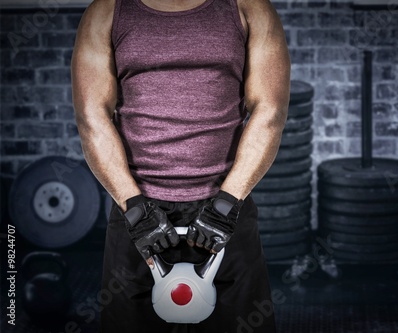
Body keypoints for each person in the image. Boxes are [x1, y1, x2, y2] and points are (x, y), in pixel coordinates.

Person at [71, 0, 290, 331]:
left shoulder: (249, 7)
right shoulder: (106, 11)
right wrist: (133, 209)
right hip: (136, 214)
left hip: (227, 210)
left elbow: (269, 110)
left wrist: (227, 203)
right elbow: (92, 117)